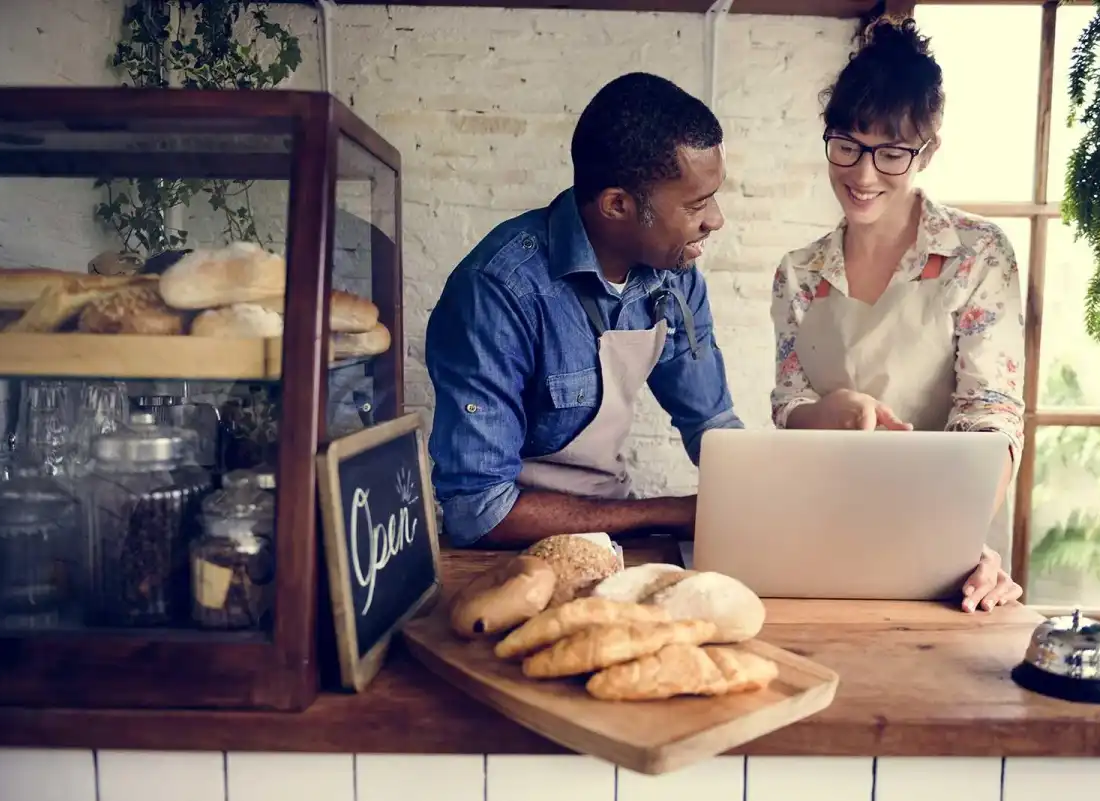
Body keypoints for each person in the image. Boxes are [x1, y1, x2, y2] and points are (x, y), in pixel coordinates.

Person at [770, 17, 1025, 613]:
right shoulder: (799, 272)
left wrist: (952, 540)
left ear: (927, 150)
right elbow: (788, 404)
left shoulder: (978, 254)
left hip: (944, 547)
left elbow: (991, 416)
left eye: (890, 154)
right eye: (847, 146)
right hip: (821, 531)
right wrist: (825, 413)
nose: (862, 175)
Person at [426, 71, 743, 549]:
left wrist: (760, 498)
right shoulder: (498, 291)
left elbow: (712, 424)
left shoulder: (673, 274)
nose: (715, 219)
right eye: (696, 203)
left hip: (610, 535)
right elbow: (479, 510)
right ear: (617, 205)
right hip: (510, 552)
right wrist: (671, 514)